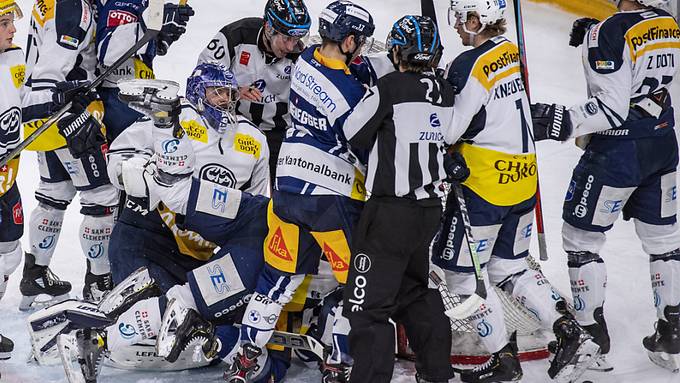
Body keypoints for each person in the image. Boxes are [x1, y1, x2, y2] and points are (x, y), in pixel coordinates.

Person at [430, 1, 601, 382]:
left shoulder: (468, 64)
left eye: (462, 19)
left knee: (459, 276)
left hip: (484, 186)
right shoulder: (510, 52)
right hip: (524, 179)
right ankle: (569, 333)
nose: (458, 26)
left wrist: (438, 95)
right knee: (509, 267)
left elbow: (449, 130)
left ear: (477, 20)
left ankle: (502, 361)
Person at [224, 1, 376, 382]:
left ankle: (246, 357)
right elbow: (366, 146)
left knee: (275, 280)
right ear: (350, 40)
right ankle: (337, 362)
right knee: (355, 282)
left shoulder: (306, 59)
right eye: (360, 42)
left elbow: (346, 63)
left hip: (287, 188)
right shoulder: (351, 95)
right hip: (330, 196)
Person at [530, 0, 680, 373]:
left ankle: (589, 340)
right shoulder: (668, 22)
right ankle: (673, 335)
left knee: (581, 242)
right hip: (662, 143)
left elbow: (611, 109)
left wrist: (561, 120)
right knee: (664, 242)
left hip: (617, 154)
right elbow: (639, 48)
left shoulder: (608, 32)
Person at [341, 15, 455, 383]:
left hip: (389, 213)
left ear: (396, 51)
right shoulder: (446, 91)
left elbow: (352, 132)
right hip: (427, 213)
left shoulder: (388, 87)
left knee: (367, 307)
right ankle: (437, 373)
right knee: (413, 292)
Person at [19, 0, 118, 308]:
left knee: (54, 192)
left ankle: (35, 273)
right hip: (67, 116)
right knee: (102, 197)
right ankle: (99, 283)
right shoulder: (74, 7)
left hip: (45, 117)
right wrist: (67, 116)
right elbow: (51, 70)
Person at [197, 0, 311, 180]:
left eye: (296, 39)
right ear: (268, 28)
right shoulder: (236, 34)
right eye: (286, 38)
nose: (291, 47)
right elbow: (202, 77)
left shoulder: (302, 55)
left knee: (282, 194)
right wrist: (232, 92)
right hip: (233, 125)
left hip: (278, 133)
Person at [96, 0, 194, 141]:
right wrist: (153, 22)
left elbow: (142, 51)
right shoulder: (124, 2)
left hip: (140, 96)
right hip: (117, 99)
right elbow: (108, 52)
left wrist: (162, 35)